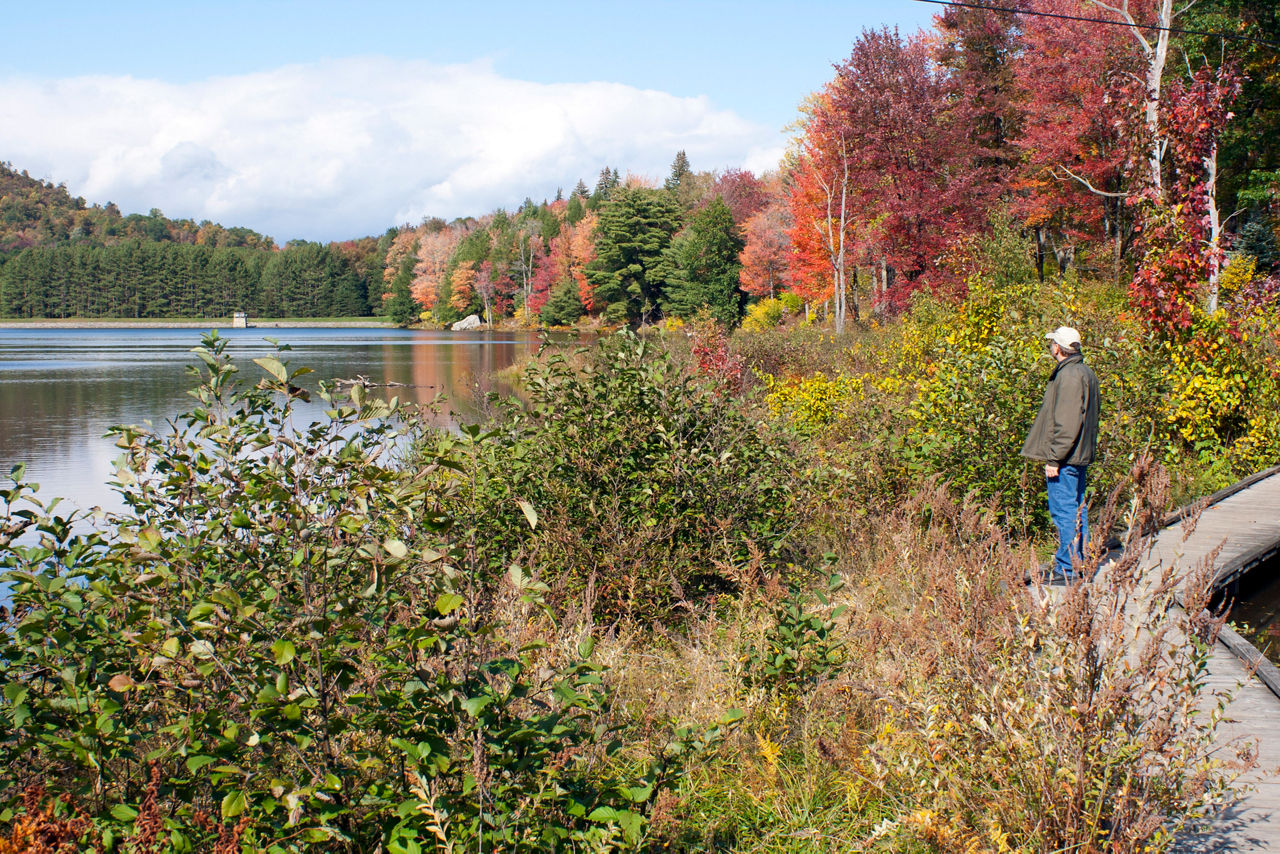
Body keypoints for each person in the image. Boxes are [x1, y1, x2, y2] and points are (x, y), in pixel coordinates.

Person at [1021, 326, 1100, 582]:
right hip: (1079, 455)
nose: (1050, 347)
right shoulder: (1086, 372)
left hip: (1066, 458)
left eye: (1052, 343)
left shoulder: (1069, 376)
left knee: (1065, 512)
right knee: (1078, 509)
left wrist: (1054, 458)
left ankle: (1067, 569)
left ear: (1058, 347)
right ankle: (1080, 564)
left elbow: (1066, 423)